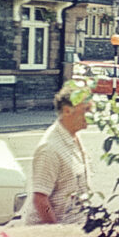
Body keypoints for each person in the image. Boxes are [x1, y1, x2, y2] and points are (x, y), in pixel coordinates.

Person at [24, 85, 91, 225]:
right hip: (52, 234)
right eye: (86, 109)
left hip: (76, 228)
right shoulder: (50, 149)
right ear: (67, 111)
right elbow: (40, 200)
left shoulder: (74, 137)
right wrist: (57, 233)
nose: (91, 114)